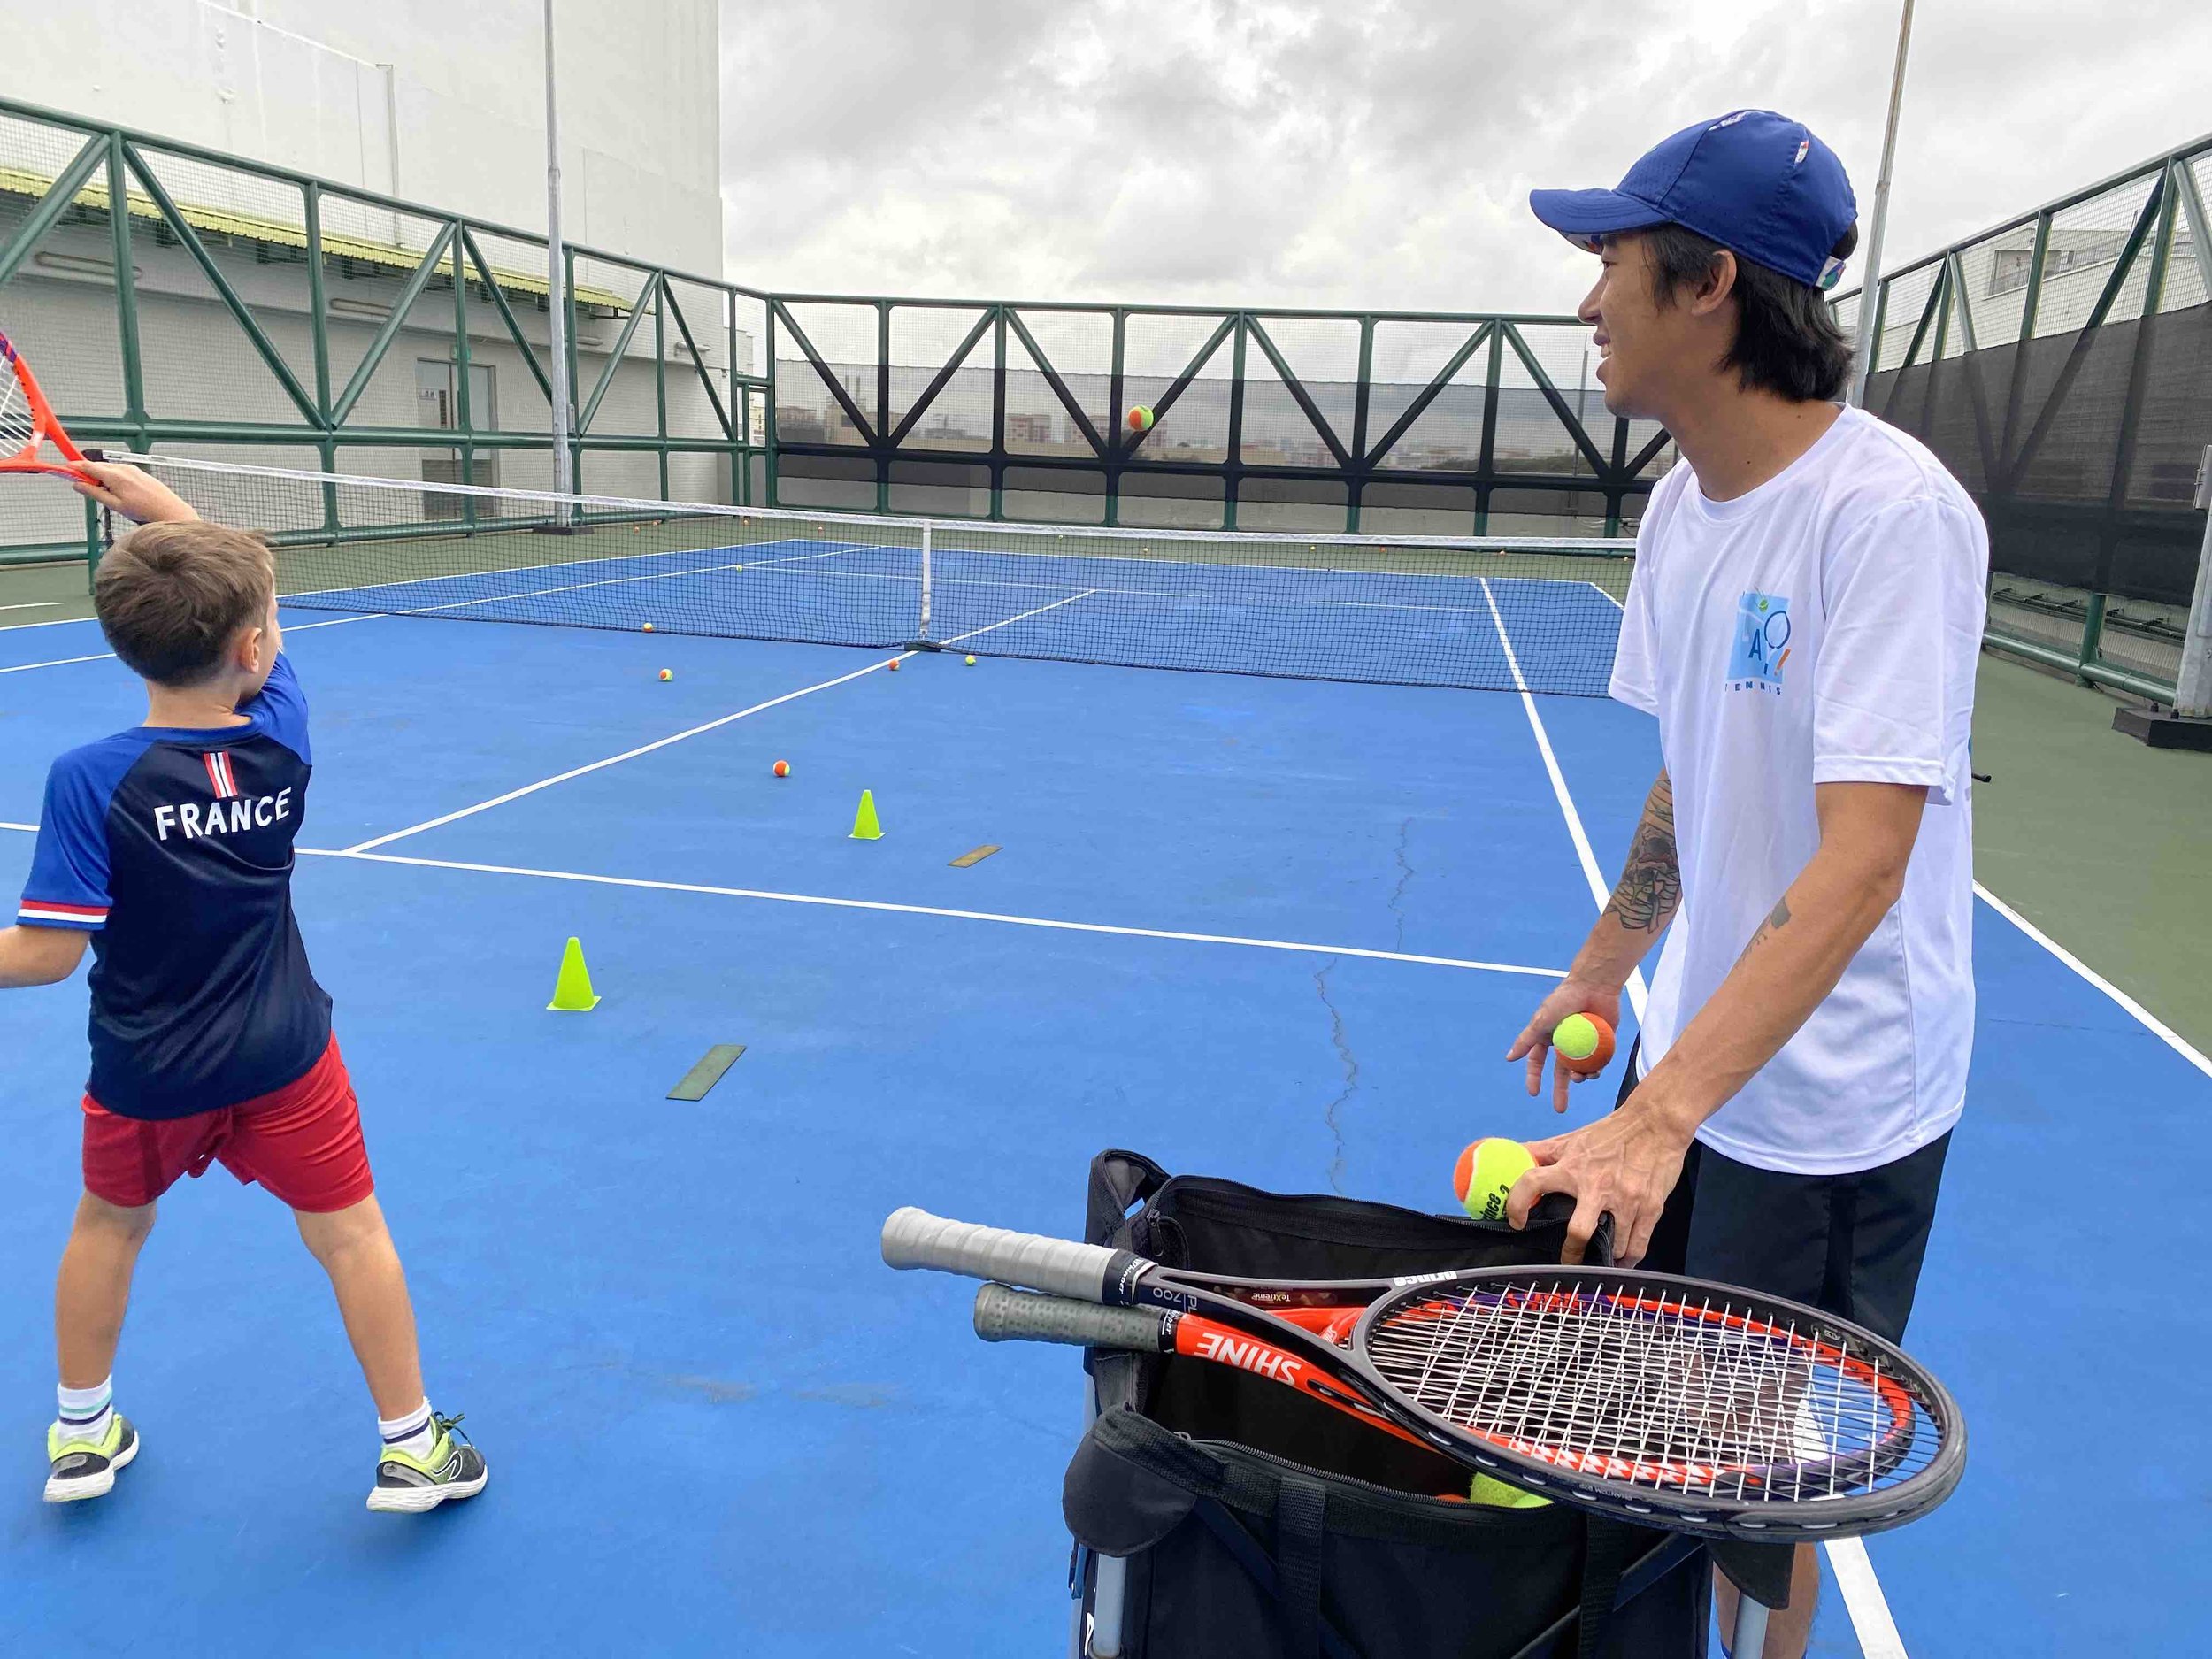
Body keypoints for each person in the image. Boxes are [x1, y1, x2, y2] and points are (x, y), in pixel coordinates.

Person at [1501, 112, 1985, 1657]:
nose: (1589, 303)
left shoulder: (1889, 517)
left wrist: (1660, 1111)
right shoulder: (1680, 511)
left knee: (1765, 1476)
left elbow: (1864, 860)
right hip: (1703, 1057)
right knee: (1669, 1414)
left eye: (1613, 266)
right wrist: (1602, 969)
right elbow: (1688, 777)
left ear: (1708, 284)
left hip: (1833, 1098)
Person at [0, 462, 487, 1513]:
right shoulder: (280, 733)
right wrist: (167, 507)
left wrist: (161, 533)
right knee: (353, 1233)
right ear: (252, 650)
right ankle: (413, 1447)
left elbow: (45, 954)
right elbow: (257, 612)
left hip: (144, 1068)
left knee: (107, 1226)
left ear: (118, 639)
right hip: (285, 1057)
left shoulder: (90, 778)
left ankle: (82, 1435)